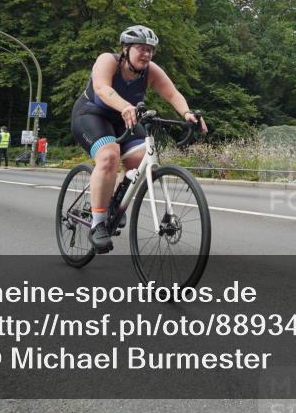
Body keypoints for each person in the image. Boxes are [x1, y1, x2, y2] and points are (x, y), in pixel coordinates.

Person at [70, 25, 206, 253]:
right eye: (141, 49)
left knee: (145, 158)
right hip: (92, 115)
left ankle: (116, 200)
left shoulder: (151, 71)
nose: (147, 54)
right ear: (125, 49)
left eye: (150, 50)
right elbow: (102, 88)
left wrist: (187, 114)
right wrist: (125, 106)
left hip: (127, 118)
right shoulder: (108, 61)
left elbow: (172, 94)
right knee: (109, 155)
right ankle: (98, 224)